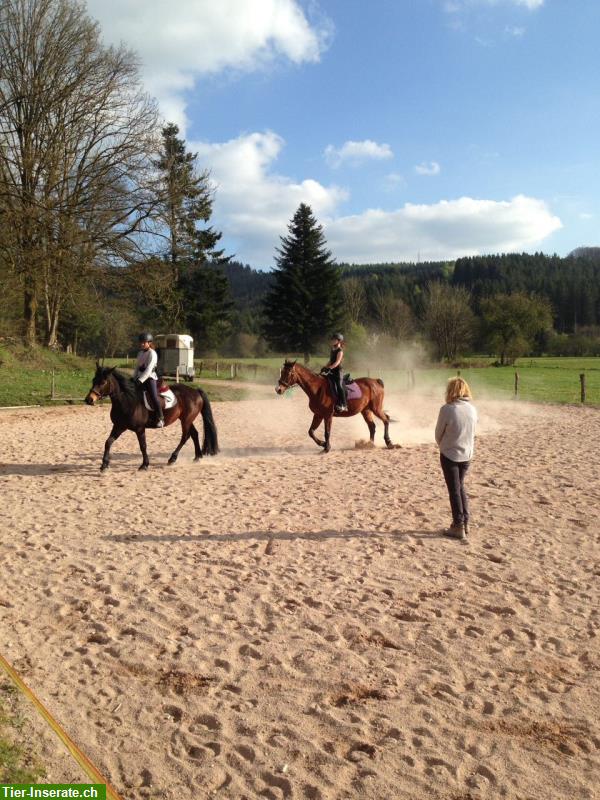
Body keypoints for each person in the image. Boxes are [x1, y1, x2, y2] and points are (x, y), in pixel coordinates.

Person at [435, 377, 478, 541]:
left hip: (450, 454)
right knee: (460, 487)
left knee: (454, 490)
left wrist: (444, 446)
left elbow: (438, 434)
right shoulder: (472, 409)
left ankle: (458, 525)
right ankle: (465, 522)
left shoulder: (447, 409)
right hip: (467, 454)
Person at [133, 332, 164, 428]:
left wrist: (140, 380)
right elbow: (137, 367)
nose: (141, 344)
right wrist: (134, 378)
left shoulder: (153, 353)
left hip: (150, 378)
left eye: (143, 342)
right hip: (140, 378)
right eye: (140, 342)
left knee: (154, 397)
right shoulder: (140, 353)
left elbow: (149, 369)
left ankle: (160, 418)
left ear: (149, 343)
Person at [323, 333, 347, 412]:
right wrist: (325, 367)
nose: (332, 341)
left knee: (339, 386)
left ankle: (344, 405)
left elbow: (337, 362)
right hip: (332, 371)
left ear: (339, 341)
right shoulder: (332, 349)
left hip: (338, 372)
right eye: (332, 339)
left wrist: (329, 368)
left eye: (334, 339)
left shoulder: (340, 351)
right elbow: (331, 360)